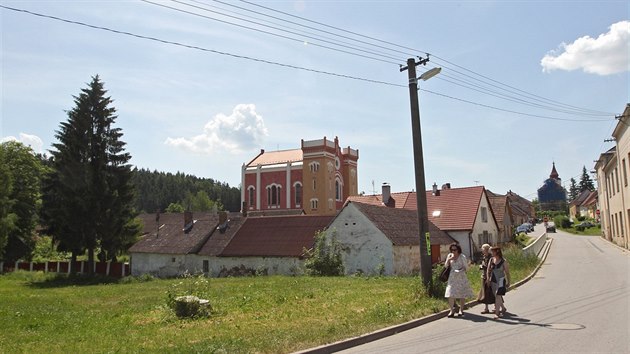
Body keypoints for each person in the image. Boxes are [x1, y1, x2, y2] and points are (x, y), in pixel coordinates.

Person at [444, 243, 474, 317]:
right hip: (452, 277)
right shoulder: (449, 256)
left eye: (455, 250)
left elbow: (466, 268)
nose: (453, 251)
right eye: (452, 250)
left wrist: (461, 270)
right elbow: (446, 266)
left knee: (461, 294)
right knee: (450, 293)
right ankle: (451, 310)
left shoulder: (462, 256)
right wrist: (449, 259)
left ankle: (461, 310)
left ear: (458, 250)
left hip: (461, 277)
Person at [487, 246, 511, 319]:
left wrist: (509, 282)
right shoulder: (491, 260)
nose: (491, 253)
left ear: (497, 252)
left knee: (498, 295)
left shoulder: (503, 261)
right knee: (497, 295)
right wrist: (488, 279)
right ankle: (503, 308)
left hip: (501, 280)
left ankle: (497, 313)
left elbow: (507, 272)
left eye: (493, 251)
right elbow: (488, 270)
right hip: (493, 280)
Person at [477, 244, 495, 314]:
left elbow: (490, 267)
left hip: (490, 277)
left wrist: (483, 267)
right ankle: (486, 308)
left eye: (483, 249)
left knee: (492, 292)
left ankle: (496, 307)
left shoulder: (491, 257)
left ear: (486, 249)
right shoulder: (484, 256)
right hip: (484, 276)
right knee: (485, 292)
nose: (482, 250)